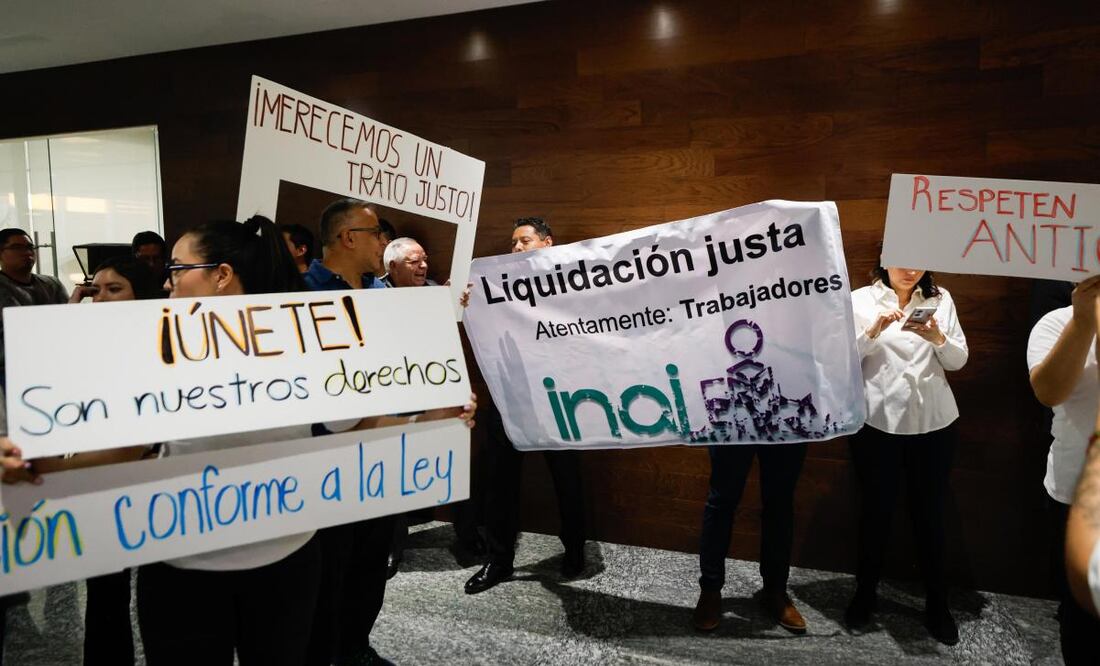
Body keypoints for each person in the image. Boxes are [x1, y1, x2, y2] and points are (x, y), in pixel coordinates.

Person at [844, 265, 968, 645]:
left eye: (919, 260)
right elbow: (841, 359)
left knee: (930, 516)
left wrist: (937, 337)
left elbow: (958, 360)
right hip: (877, 423)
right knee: (875, 513)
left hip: (934, 423)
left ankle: (937, 605)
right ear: (885, 258)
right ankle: (865, 595)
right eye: (902, 259)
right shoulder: (861, 301)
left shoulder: (940, 299)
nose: (911, 270)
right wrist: (873, 331)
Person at [464, 217, 588, 595]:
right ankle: (499, 561)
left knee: (567, 479)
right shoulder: (496, 284)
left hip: (557, 396)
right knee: (500, 483)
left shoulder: (572, 281)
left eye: (525, 240)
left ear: (547, 243)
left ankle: (575, 550)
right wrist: (465, 300)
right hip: (509, 396)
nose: (517, 247)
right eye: (513, 242)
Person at [1027, 275, 1100, 663]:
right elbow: (1049, 392)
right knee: (1081, 618)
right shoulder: (1055, 323)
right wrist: (1084, 322)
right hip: (1075, 494)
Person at [0, 228, 68, 389]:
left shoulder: (51, 283)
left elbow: (68, 322)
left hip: (53, 362)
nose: (27, 252)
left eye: (30, 247)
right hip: (10, 368)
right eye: (17, 248)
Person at [304, 199, 387, 291]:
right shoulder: (302, 289)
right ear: (349, 238)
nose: (384, 242)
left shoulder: (379, 288)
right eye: (376, 233)